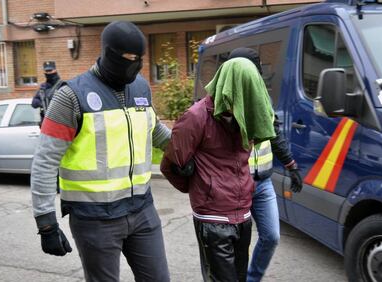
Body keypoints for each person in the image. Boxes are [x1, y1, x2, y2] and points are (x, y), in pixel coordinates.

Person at [30, 21, 171, 282]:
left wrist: (191, 150)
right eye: (129, 59)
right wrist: (46, 222)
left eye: (140, 59)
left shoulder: (141, 88)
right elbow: (45, 162)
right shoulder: (71, 96)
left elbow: (156, 131)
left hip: (142, 210)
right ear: (109, 53)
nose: (136, 65)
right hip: (94, 219)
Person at [161, 57, 276, 282]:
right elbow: (170, 165)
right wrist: (200, 188)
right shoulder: (197, 116)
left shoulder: (248, 114)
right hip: (212, 218)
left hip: (243, 212)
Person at [228, 47, 303, 282]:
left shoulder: (264, 99)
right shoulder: (223, 102)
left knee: (271, 236)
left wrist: (292, 166)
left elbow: (275, 135)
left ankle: (252, 279)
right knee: (234, 245)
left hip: (263, 184)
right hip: (235, 186)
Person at [31, 61, 63, 127]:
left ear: (55, 70)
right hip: (45, 125)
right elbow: (34, 103)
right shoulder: (43, 87)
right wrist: (42, 103)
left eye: (50, 70)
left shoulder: (62, 86)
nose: (48, 73)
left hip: (59, 124)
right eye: (47, 71)